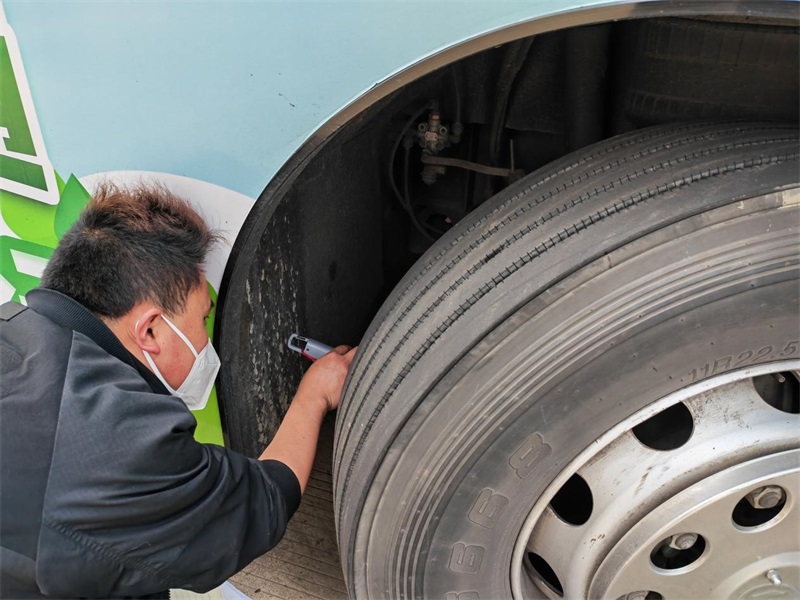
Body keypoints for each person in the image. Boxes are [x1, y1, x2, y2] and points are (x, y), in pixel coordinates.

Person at [0, 182, 356, 598]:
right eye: (202, 320)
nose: (206, 340)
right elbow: (260, 503)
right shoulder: (121, 440)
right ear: (151, 330)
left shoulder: (11, 328)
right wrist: (315, 395)